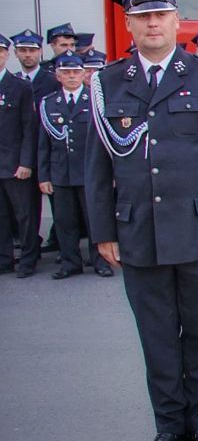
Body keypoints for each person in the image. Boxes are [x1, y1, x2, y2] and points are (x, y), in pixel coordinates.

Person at [85, 0, 198, 441]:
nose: (153, 23)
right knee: (155, 335)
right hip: (139, 233)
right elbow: (96, 168)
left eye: (160, 14)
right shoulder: (107, 82)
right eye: (142, 17)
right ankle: (167, 427)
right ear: (129, 24)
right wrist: (104, 233)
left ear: (177, 20)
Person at [37, 51, 112, 278]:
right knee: (64, 221)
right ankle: (70, 263)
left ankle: (100, 261)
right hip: (61, 172)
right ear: (58, 76)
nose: (71, 76)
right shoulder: (49, 103)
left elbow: (105, 140)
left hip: (90, 172)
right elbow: (43, 143)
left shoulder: (95, 100)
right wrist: (43, 175)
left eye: (76, 72)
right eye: (66, 72)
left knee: (94, 220)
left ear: (83, 75)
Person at [0, 32, 41, 277]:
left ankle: (28, 259)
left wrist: (26, 162)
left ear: (6, 54)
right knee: (1, 217)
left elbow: (29, 127)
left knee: (25, 215)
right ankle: (5, 259)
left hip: (15, 164)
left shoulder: (20, 87)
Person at [11, 29, 60, 102]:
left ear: (40, 52)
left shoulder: (55, 80)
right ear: (16, 53)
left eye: (32, 50)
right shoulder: (11, 82)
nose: (28, 55)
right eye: (23, 50)